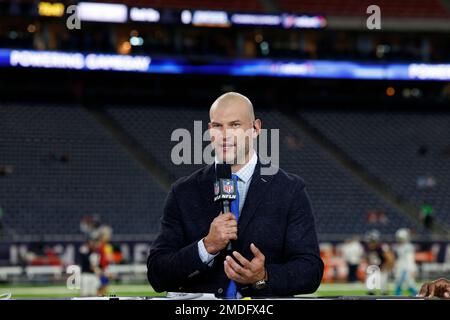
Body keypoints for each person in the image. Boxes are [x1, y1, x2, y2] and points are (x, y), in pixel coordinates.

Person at [147, 92, 323, 298]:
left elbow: (311, 271)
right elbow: (157, 274)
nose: (225, 134)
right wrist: (206, 247)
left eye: (235, 125)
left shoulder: (289, 189)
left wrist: (263, 276)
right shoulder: (183, 192)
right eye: (217, 126)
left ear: (256, 128)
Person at [365, 229, 395, 295]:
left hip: (382, 269)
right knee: (370, 288)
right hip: (374, 269)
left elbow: (390, 259)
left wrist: (385, 267)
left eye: (371, 241)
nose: (369, 243)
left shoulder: (382, 247)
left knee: (383, 288)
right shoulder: (369, 248)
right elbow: (369, 259)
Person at [393, 228, 417, 296]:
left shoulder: (408, 247)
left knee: (409, 284)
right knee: (398, 285)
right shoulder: (400, 247)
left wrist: (412, 269)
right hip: (400, 267)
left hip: (406, 268)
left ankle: (416, 295)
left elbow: (410, 259)